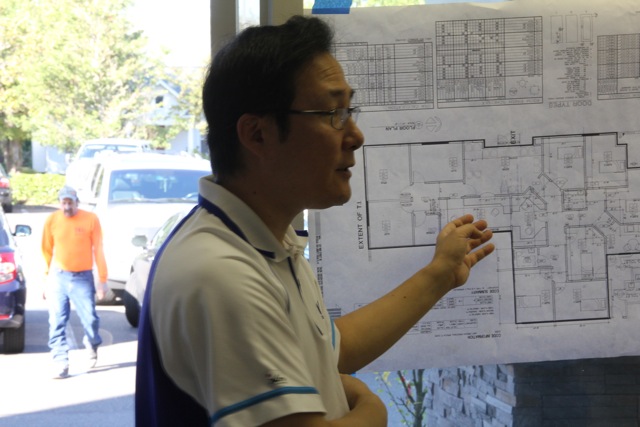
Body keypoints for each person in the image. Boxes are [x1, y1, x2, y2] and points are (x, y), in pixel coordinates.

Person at [135, 15, 495, 426]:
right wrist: (373, 411)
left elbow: (332, 350)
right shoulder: (221, 273)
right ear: (257, 135)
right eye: (332, 113)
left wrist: (441, 274)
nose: (355, 135)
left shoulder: (266, 244)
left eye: (349, 110)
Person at [42, 185, 108, 379]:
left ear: (77, 202)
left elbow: (98, 249)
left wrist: (102, 280)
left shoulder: (91, 219)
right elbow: (46, 251)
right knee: (56, 320)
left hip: (82, 278)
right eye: (63, 203)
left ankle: (92, 343)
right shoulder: (52, 220)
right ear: (59, 203)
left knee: (90, 320)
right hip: (58, 277)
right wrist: (45, 280)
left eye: (70, 203)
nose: (67, 207)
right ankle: (60, 362)